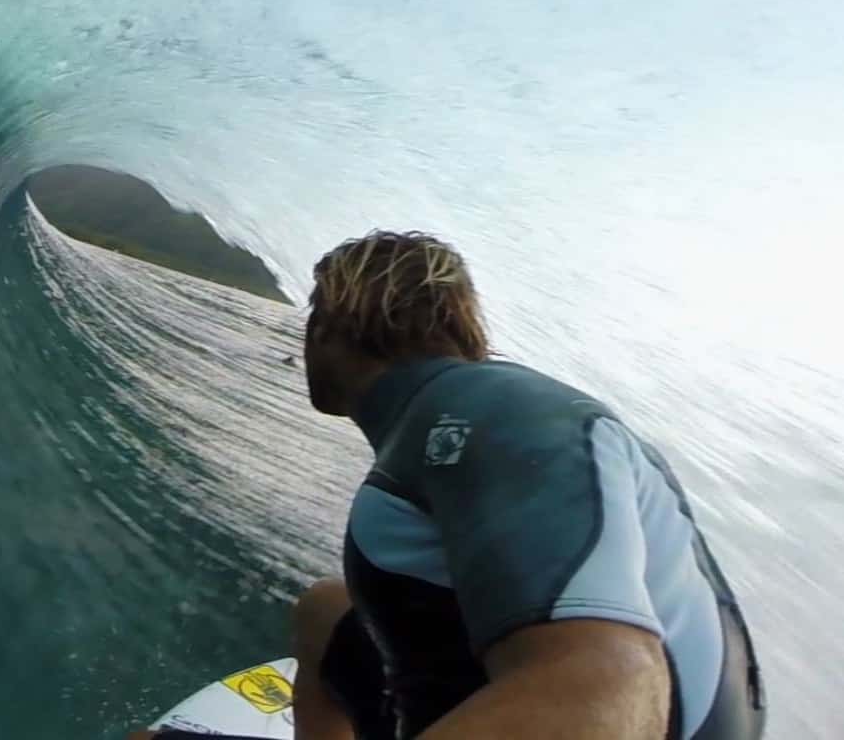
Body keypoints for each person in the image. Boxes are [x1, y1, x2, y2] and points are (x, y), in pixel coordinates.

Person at [285, 231, 765, 740]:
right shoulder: (459, 414)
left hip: (632, 722)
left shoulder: (498, 417)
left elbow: (605, 689)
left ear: (327, 325)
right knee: (325, 614)